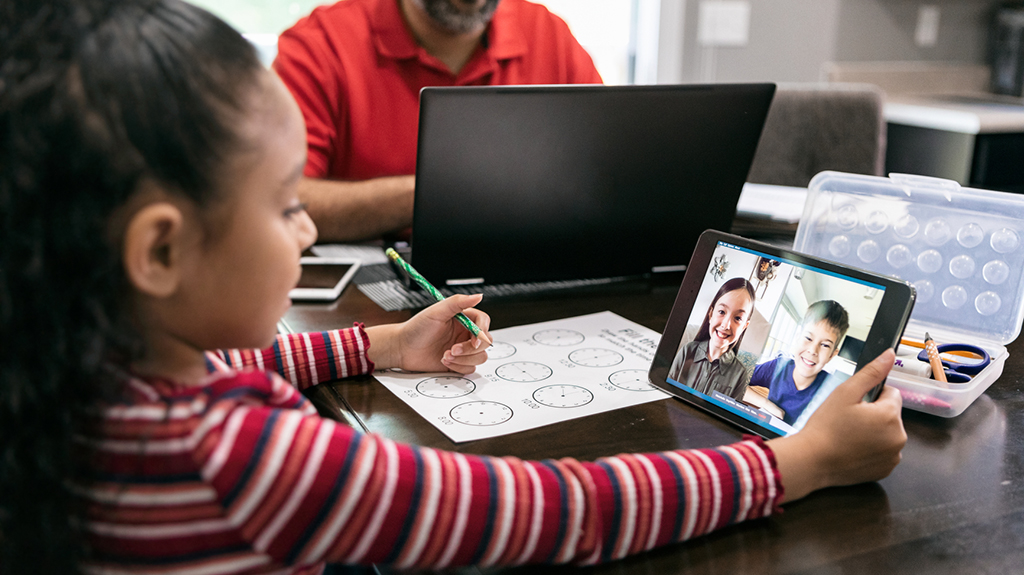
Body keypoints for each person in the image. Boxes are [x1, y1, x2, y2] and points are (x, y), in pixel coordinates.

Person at [0, 2, 907, 573]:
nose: (307, 225)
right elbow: (554, 511)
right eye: (285, 207)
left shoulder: (89, 362)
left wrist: (377, 342)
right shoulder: (248, 459)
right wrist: (797, 463)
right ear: (158, 253)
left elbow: (246, 351)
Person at [272, 0, 603, 241]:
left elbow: (606, 173)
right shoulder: (320, 45)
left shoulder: (549, 34)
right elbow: (280, 201)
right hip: (374, 305)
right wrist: (436, 195)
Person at [750, 300, 851, 425]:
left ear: (831, 355)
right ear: (798, 338)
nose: (813, 350)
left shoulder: (832, 391)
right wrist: (766, 404)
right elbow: (733, 378)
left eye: (825, 345)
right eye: (808, 338)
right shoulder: (778, 367)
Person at [667, 278, 757, 400]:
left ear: (744, 327)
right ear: (711, 314)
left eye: (737, 318)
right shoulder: (687, 351)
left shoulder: (740, 374)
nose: (726, 325)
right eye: (721, 311)